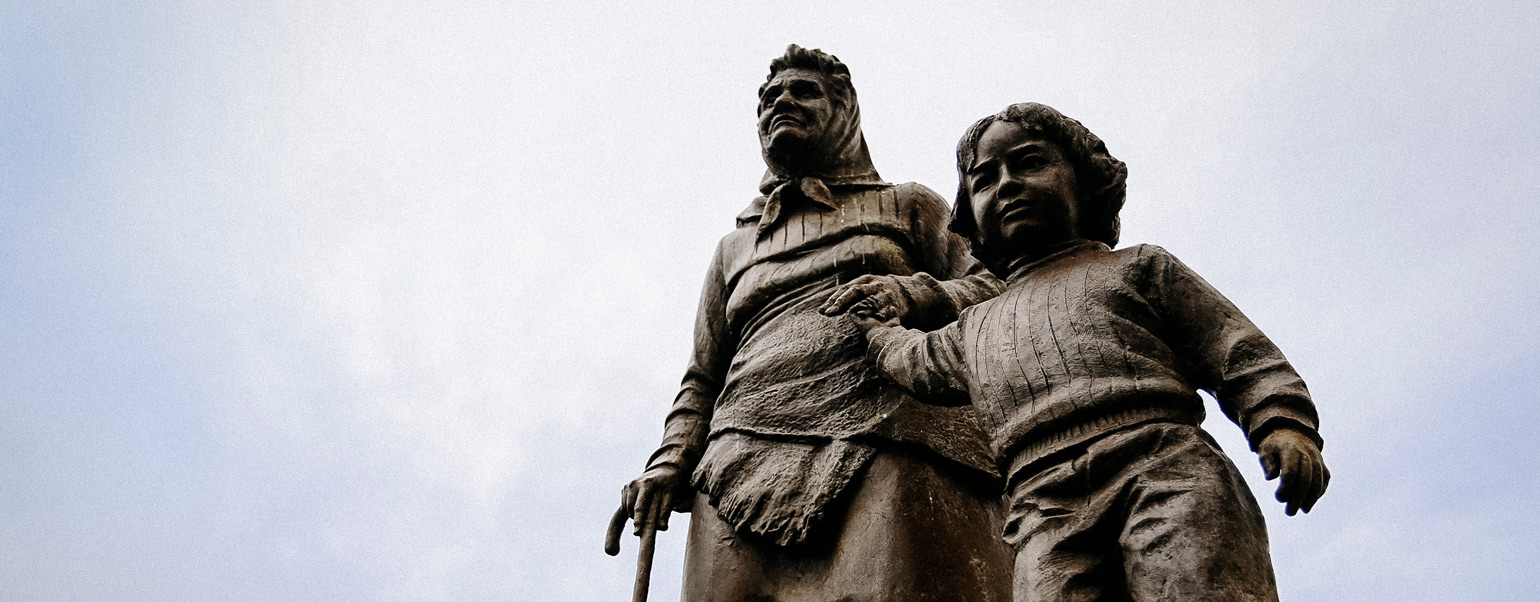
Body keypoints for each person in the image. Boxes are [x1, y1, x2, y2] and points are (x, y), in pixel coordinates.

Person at [842, 102, 1329, 602]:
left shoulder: (1140, 268)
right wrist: (878, 328)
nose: (1007, 183)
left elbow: (1238, 352)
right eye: (985, 180)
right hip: (1043, 508)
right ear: (971, 218)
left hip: (1164, 468)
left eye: (1029, 163)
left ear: (1085, 181)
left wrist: (1282, 423)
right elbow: (918, 363)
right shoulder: (974, 325)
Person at [607, 46, 1013, 601]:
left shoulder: (908, 206)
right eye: (769, 99)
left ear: (845, 110)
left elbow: (998, 291)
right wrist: (671, 461)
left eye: (803, 92)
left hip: (888, 433)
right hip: (736, 457)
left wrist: (911, 292)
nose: (782, 104)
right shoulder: (734, 249)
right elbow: (703, 375)